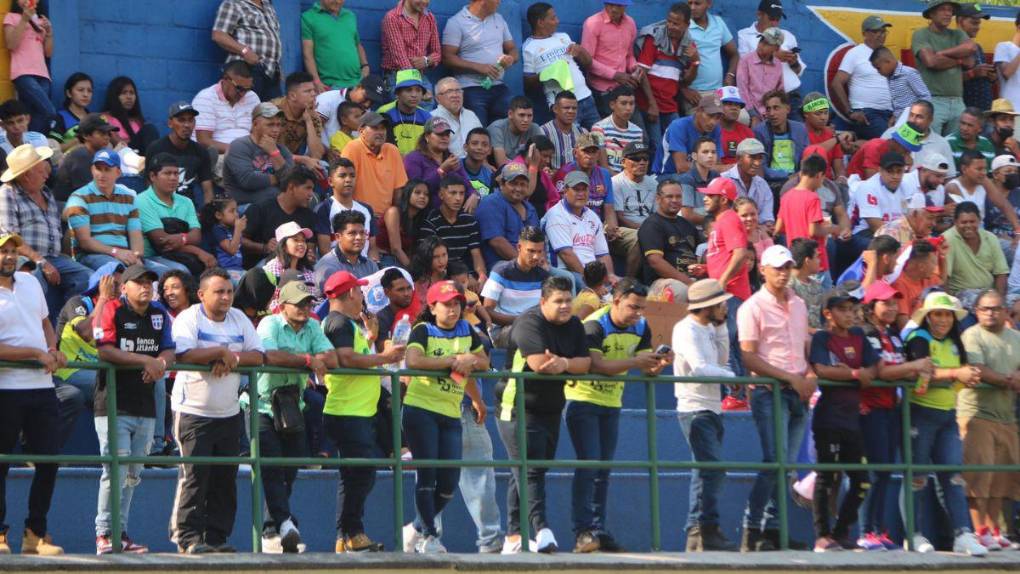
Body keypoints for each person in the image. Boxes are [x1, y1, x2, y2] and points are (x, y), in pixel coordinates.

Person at [566, 279, 669, 553]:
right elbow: (598, 365)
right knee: (589, 465)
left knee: (603, 470)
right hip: (582, 400)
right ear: (616, 301)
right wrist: (636, 362)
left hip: (612, 403)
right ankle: (582, 532)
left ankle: (597, 530)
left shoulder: (641, 326)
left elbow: (647, 369)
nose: (638, 313)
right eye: (633, 307)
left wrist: (658, 363)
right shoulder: (594, 325)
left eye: (642, 308)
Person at [170, 268, 265, 554]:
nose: (225, 297)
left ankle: (216, 538)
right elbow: (183, 353)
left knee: (225, 480)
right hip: (193, 411)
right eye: (219, 292)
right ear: (201, 294)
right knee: (194, 477)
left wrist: (230, 356)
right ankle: (188, 538)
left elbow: (258, 355)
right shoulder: (189, 318)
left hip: (228, 413)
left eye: (229, 291)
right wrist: (218, 353)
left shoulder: (239, 318)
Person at [495, 275, 591, 553]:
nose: (565, 306)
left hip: (550, 408)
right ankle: (542, 530)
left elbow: (585, 363)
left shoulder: (574, 325)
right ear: (543, 302)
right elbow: (539, 363)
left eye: (568, 300)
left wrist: (564, 363)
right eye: (558, 301)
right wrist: (567, 364)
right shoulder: (529, 322)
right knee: (530, 470)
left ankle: (513, 537)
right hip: (517, 407)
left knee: (525, 471)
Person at [737, 244, 816, 552]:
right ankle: (753, 526)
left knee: (784, 465)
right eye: (778, 268)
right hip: (771, 391)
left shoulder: (798, 304)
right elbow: (748, 357)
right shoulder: (752, 307)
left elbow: (803, 347)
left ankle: (770, 529)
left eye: (787, 267)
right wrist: (794, 378)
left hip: (794, 390)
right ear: (763, 270)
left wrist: (808, 373)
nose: (783, 273)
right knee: (776, 462)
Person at [320, 270, 405, 552]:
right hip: (348, 411)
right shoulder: (339, 322)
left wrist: (370, 338)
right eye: (359, 290)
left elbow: (355, 354)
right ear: (350, 294)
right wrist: (384, 357)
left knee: (354, 475)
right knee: (362, 473)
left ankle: (345, 536)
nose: (362, 296)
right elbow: (346, 359)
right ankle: (352, 533)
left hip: (356, 410)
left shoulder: (343, 323)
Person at [92, 264, 174, 554]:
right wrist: (145, 360)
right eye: (138, 282)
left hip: (145, 405)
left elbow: (169, 349)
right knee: (115, 469)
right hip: (113, 404)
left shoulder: (159, 313)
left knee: (133, 474)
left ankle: (121, 534)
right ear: (124, 287)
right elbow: (104, 349)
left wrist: (160, 363)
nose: (145, 287)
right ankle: (104, 534)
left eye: (149, 282)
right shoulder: (112, 308)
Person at [403, 280, 489, 553]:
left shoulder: (467, 329)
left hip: (451, 411)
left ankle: (416, 527)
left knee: (449, 481)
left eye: (457, 304)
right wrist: (453, 361)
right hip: (421, 409)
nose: (453, 310)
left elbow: (483, 363)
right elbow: (413, 361)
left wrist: (476, 396)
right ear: (432, 307)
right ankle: (430, 536)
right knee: (427, 475)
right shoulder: (423, 330)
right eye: (446, 304)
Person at [253, 281, 338, 553]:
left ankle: (274, 528)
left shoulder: (312, 325)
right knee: (271, 466)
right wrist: (307, 360)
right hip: (262, 405)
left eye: (308, 303)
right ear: (282, 305)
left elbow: (330, 357)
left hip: (292, 405)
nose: (305, 307)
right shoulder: (269, 324)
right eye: (299, 303)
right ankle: (283, 525)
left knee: (289, 469)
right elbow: (270, 356)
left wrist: (311, 358)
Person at [901, 291, 986, 556]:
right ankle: (913, 535)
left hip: (948, 415)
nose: (943, 320)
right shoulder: (918, 338)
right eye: (937, 314)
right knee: (916, 477)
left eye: (947, 315)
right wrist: (956, 373)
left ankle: (963, 533)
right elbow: (920, 372)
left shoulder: (954, 341)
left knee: (954, 476)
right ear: (927, 316)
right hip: (920, 413)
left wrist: (968, 376)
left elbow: (960, 374)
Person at [0, 231, 66, 556]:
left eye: (13, 251)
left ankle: (35, 534)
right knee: (0, 463)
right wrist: (35, 353)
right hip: (5, 389)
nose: (9, 256)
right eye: (3, 251)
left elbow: (45, 323)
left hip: (41, 387)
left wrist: (52, 349)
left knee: (49, 461)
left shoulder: (29, 281)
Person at [857, 281, 927, 551]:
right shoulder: (865, 333)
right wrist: (915, 366)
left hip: (891, 409)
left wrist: (914, 369)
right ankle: (866, 531)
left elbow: (899, 369)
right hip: (870, 409)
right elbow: (882, 372)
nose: (892, 307)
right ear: (871, 306)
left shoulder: (894, 335)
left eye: (894, 302)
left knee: (885, 472)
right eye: (885, 303)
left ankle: (878, 530)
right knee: (875, 472)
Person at [807, 289, 878, 552]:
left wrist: (856, 372)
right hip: (828, 418)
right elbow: (822, 369)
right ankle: (822, 536)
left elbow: (874, 367)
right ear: (828, 314)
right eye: (843, 309)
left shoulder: (859, 335)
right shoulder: (822, 338)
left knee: (862, 479)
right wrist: (855, 374)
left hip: (852, 420)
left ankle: (841, 532)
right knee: (826, 477)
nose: (850, 314)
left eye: (852, 309)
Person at [672, 279, 736, 552]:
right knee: (712, 469)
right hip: (694, 409)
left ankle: (699, 533)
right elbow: (699, 368)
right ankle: (703, 528)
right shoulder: (685, 329)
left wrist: (721, 327)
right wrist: (733, 378)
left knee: (705, 470)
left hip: (711, 407)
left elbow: (720, 361)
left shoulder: (709, 328)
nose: (725, 306)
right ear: (708, 305)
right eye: (721, 303)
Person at [957, 289, 1020, 551]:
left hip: (1006, 415)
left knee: (1003, 476)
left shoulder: (1016, 337)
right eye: (985, 308)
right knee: (979, 476)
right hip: (976, 413)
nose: (991, 313)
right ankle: (979, 530)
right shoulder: (971, 335)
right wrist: (1008, 380)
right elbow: (977, 369)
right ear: (976, 312)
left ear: (1005, 311)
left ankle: (995, 530)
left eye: (996, 308)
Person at [0, 144, 91, 321]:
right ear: (26, 175)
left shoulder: (46, 193)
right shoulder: (7, 194)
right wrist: (41, 261)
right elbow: (10, 237)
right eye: (41, 171)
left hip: (54, 257)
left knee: (88, 277)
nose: (47, 175)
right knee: (34, 279)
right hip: (23, 257)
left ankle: (66, 323)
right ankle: (38, 325)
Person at [63, 150, 151, 273]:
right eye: (98, 169)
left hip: (125, 255)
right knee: (117, 269)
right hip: (91, 255)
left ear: (118, 172)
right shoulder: (79, 197)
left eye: (107, 169)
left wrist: (136, 257)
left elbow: (135, 234)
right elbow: (85, 242)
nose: (101, 174)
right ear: (92, 170)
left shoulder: (129, 196)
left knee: (162, 272)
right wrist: (115, 252)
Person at [441, 0, 518, 127]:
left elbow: (512, 49)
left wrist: (510, 58)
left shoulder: (499, 19)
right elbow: (447, 58)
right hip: (470, 87)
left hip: (498, 85)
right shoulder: (456, 22)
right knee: (477, 131)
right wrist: (478, 67)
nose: (499, 2)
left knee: (515, 119)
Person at [136, 154, 216, 277]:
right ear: (152, 176)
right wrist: (198, 251)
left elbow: (197, 236)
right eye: (167, 173)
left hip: (183, 255)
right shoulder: (142, 200)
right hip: (152, 258)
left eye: (176, 173)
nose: (173, 178)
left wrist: (181, 238)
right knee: (181, 273)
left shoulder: (186, 202)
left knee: (215, 274)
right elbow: (162, 242)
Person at [636, 2, 697, 159]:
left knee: (678, 142)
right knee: (656, 146)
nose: (671, 26)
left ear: (687, 25)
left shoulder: (688, 45)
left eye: (676, 23)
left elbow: (686, 82)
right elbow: (641, 73)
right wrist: (652, 104)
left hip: (669, 105)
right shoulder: (654, 38)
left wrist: (695, 62)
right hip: (650, 103)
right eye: (669, 21)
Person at [524, 4, 598, 129]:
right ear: (540, 22)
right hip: (564, 106)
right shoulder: (530, 47)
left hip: (586, 97)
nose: (557, 21)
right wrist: (547, 74)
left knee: (599, 136)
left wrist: (580, 50)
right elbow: (527, 83)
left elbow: (588, 63)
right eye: (553, 18)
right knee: (571, 140)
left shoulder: (563, 37)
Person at [911, 0, 974, 136]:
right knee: (929, 143)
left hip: (958, 101)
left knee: (954, 145)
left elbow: (970, 55)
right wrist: (959, 60)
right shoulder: (922, 34)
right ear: (931, 14)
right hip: (933, 100)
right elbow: (931, 62)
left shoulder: (958, 34)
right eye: (943, 9)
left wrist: (941, 54)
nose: (948, 14)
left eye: (950, 10)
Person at [237, 222, 322, 321]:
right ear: (283, 245)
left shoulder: (307, 271)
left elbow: (312, 299)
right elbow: (271, 305)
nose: (301, 244)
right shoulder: (271, 269)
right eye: (295, 240)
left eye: (303, 241)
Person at [481, 225, 549, 347]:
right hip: (504, 330)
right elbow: (488, 310)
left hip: (534, 327)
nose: (536, 257)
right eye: (531, 251)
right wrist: (521, 320)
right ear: (519, 247)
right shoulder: (501, 272)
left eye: (539, 251)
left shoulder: (543, 276)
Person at [240, 165, 317, 269]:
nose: (311, 194)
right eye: (308, 188)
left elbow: (310, 247)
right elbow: (240, 240)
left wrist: (309, 256)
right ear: (291, 187)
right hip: (261, 270)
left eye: (312, 189)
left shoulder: (309, 215)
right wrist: (264, 247)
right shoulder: (260, 209)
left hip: (296, 268)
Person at [545, 171, 617, 283]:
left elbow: (602, 254)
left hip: (592, 273)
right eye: (576, 189)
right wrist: (591, 282)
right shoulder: (556, 215)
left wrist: (610, 276)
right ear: (565, 190)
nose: (581, 194)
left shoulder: (592, 216)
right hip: (566, 273)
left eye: (584, 189)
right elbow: (566, 254)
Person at [830, 16, 894, 140]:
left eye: (883, 31)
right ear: (864, 33)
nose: (880, 35)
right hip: (867, 114)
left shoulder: (887, 54)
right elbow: (836, 83)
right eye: (875, 31)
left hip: (890, 114)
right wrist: (850, 112)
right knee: (889, 143)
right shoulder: (855, 53)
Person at [736, 1, 805, 115]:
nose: (775, 23)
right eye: (772, 18)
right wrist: (773, 55)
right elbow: (744, 65)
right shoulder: (745, 35)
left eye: (778, 19)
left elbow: (799, 71)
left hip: (791, 94)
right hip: (759, 99)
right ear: (759, 14)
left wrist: (793, 62)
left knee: (796, 126)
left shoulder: (788, 36)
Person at [222, 102, 295, 206]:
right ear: (255, 124)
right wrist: (280, 178)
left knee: (307, 197)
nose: (276, 130)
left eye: (278, 125)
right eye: (270, 125)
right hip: (243, 204)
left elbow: (292, 182)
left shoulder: (281, 150)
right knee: (275, 195)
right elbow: (248, 180)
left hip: (273, 201)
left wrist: (274, 153)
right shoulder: (239, 146)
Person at [145, 102, 215, 208]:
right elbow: (149, 186)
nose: (187, 125)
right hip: (161, 208)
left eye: (190, 120)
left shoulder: (200, 151)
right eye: (181, 120)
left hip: (189, 209)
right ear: (170, 123)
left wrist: (207, 214)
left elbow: (207, 190)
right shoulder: (156, 148)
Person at [341, 111, 409, 216]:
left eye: (383, 128)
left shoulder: (392, 150)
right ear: (361, 131)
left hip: (386, 218)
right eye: (375, 128)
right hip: (358, 216)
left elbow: (398, 190)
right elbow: (344, 186)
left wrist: (398, 216)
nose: (380, 132)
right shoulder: (352, 148)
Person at [212, 0, 283, 100]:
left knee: (272, 109)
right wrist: (244, 51)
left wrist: (277, 66)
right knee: (245, 107)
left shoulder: (268, 6)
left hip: (270, 73)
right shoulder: (233, 3)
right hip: (245, 70)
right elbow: (219, 35)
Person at [581, 0, 639, 120]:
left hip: (624, 87)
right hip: (602, 90)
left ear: (625, 6)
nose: (614, 9)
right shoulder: (593, 23)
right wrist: (614, 75)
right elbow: (586, 61)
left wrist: (634, 68)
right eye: (610, 4)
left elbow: (629, 55)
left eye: (618, 5)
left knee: (635, 129)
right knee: (608, 130)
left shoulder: (630, 23)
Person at [776, 154, 831, 278]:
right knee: (826, 290)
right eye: (823, 178)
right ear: (819, 175)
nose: (821, 183)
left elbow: (778, 228)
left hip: (796, 260)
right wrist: (832, 229)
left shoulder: (786, 197)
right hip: (815, 261)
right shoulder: (813, 198)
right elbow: (813, 231)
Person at [638, 178, 701, 286]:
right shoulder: (652, 225)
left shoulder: (688, 225)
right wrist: (689, 283)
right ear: (658, 199)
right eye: (669, 196)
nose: (675, 200)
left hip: (691, 278)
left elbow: (700, 253)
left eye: (678, 196)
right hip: (663, 282)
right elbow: (655, 261)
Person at [476, 162, 539, 269]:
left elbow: (538, 241)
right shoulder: (491, 203)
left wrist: (541, 262)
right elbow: (497, 242)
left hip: (531, 264)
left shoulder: (530, 208)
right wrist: (525, 264)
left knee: (565, 277)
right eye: (513, 183)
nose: (518, 188)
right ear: (502, 184)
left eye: (522, 184)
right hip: (502, 266)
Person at [421, 176, 486, 280]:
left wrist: (482, 275)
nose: (458, 198)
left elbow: (476, 254)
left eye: (462, 193)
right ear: (441, 195)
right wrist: (463, 277)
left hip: (467, 274)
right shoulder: (430, 222)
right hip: (441, 276)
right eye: (453, 193)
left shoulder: (470, 221)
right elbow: (432, 260)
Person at [191, 61, 261, 157]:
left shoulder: (252, 97)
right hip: (219, 155)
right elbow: (203, 141)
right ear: (225, 79)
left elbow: (260, 132)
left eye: (247, 89)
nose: (243, 94)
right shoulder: (206, 98)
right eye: (239, 88)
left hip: (249, 155)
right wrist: (238, 151)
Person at [4, 0, 53, 134]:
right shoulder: (11, 17)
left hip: (43, 74)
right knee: (49, 111)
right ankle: (53, 127)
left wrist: (49, 32)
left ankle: (29, 141)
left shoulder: (41, 20)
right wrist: (24, 19)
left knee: (33, 114)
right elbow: (11, 44)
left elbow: (48, 53)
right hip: (23, 73)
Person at [314, 158, 377, 260]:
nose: (348, 180)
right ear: (330, 181)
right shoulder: (324, 209)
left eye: (352, 176)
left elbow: (372, 247)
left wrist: (374, 265)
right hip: (336, 265)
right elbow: (324, 250)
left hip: (365, 266)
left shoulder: (367, 209)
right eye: (342, 176)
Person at [943, 201, 1009, 295]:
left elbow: (1001, 273)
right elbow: (944, 278)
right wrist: (949, 302)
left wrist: (1000, 298)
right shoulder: (947, 239)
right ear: (955, 222)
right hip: (962, 294)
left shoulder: (990, 238)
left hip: (990, 294)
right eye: (964, 222)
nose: (968, 226)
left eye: (972, 222)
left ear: (979, 220)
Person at [404, 117, 473, 207]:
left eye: (447, 134)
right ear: (427, 136)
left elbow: (467, 185)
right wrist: (441, 170)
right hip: (426, 211)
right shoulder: (414, 158)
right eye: (440, 134)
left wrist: (474, 195)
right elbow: (417, 192)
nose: (444, 138)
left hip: (453, 210)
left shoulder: (451, 158)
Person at [301, 0, 368, 92]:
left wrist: (365, 65)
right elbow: (308, 54)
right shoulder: (308, 17)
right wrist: (316, 81)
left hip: (357, 83)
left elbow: (357, 44)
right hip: (331, 86)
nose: (338, 1)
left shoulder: (350, 16)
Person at [381, 0, 442, 93]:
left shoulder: (429, 17)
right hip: (396, 76)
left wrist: (426, 61)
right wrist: (419, 90)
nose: (425, 2)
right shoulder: (393, 17)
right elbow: (400, 59)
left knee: (430, 100)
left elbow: (437, 53)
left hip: (420, 76)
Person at [686, 0, 739, 106]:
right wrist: (684, 89)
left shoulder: (718, 23)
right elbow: (671, 63)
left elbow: (734, 55)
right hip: (695, 94)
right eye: (690, 3)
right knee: (707, 117)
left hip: (718, 92)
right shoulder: (684, 25)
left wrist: (730, 75)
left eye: (697, 3)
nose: (692, 7)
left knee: (742, 115)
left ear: (709, 4)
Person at [52, 113, 114, 202]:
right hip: (68, 205)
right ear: (86, 135)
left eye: (108, 134)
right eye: (101, 133)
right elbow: (87, 195)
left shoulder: (97, 155)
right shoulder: (80, 156)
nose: (107, 137)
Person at [656, 94, 723, 176]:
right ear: (699, 111)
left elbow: (717, 163)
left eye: (717, 118)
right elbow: (682, 167)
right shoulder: (679, 126)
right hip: (667, 176)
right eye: (710, 115)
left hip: (699, 175)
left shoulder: (716, 129)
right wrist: (720, 168)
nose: (713, 122)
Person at [270, 72, 326, 168]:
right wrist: (303, 160)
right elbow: (267, 150)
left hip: (292, 161)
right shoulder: (272, 111)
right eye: (307, 91)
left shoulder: (312, 115)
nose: (313, 94)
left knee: (322, 167)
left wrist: (309, 121)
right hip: (267, 162)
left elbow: (317, 155)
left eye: (314, 90)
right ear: (292, 96)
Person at [752, 90, 809, 181]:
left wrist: (799, 175)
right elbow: (760, 166)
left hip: (797, 180)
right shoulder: (760, 131)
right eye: (768, 109)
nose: (771, 113)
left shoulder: (800, 129)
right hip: (771, 182)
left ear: (788, 109)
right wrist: (787, 176)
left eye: (776, 108)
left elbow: (807, 158)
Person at [314, 210, 379, 290]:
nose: (359, 237)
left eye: (362, 233)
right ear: (338, 237)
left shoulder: (370, 265)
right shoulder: (327, 267)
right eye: (352, 233)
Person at [378, 69, 432, 157]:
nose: (414, 95)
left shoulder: (427, 117)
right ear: (397, 93)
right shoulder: (384, 113)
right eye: (408, 90)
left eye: (418, 90)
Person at [735, 27, 783, 124]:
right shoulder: (746, 60)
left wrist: (771, 110)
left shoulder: (778, 64)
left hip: (769, 109)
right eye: (761, 40)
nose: (762, 45)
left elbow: (779, 91)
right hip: (749, 107)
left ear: (776, 48)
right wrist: (753, 114)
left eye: (767, 43)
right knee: (742, 117)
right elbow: (742, 89)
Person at [591, 86, 643, 175]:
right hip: (606, 179)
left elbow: (636, 165)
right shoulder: (598, 128)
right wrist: (622, 181)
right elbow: (603, 166)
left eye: (631, 103)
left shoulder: (638, 132)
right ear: (612, 105)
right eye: (624, 103)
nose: (628, 108)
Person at [722, 138, 774, 226]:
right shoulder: (723, 181)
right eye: (752, 158)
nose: (757, 163)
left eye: (760, 158)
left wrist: (767, 226)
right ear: (738, 159)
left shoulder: (762, 185)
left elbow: (767, 218)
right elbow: (722, 217)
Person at [870, 48, 932, 121]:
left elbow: (925, 96)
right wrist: (894, 117)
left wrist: (916, 116)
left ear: (888, 61)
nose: (878, 72)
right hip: (899, 119)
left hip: (912, 119)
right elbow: (898, 103)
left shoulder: (908, 73)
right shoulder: (890, 77)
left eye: (878, 68)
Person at [379, 179, 429, 268]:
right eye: (417, 192)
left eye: (426, 194)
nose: (422, 197)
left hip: (399, 260)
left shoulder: (417, 219)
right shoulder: (393, 212)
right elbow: (396, 249)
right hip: (383, 258)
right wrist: (413, 270)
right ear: (407, 194)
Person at [102, 76, 158, 153]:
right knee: (149, 129)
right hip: (122, 154)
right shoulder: (105, 118)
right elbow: (117, 143)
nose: (129, 97)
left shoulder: (137, 120)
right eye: (124, 93)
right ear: (115, 96)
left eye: (132, 93)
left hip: (140, 156)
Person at [613, 140, 658, 234]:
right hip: (626, 231)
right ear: (623, 162)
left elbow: (657, 214)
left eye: (645, 158)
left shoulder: (654, 184)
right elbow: (619, 218)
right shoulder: (615, 182)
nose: (642, 162)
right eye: (636, 158)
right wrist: (644, 230)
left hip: (650, 229)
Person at [431, 78, 483, 159]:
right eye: (449, 91)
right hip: (448, 164)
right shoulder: (432, 118)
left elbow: (482, 141)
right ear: (438, 99)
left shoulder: (471, 115)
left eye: (458, 91)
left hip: (474, 162)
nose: (455, 95)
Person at [799, 95, 847, 182]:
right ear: (806, 114)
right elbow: (814, 152)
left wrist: (841, 178)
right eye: (818, 113)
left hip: (829, 183)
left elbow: (839, 167)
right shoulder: (799, 133)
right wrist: (837, 139)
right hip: (807, 181)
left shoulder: (831, 134)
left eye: (826, 113)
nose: (823, 118)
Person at [956, 4, 994, 112]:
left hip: (983, 110)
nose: (977, 27)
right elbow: (945, 80)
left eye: (979, 23)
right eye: (974, 23)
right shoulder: (951, 46)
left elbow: (980, 75)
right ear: (960, 21)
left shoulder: (977, 47)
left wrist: (990, 76)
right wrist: (973, 73)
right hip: (965, 112)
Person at [487, 96, 542, 168]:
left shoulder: (534, 128)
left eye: (529, 116)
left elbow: (542, 157)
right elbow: (502, 165)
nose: (526, 120)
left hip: (523, 170)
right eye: (521, 115)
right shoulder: (497, 128)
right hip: (499, 171)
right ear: (510, 114)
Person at [677, 137, 720, 225]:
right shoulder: (686, 180)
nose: (710, 156)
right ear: (694, 156)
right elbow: (687, 216)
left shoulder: (716, 176)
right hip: (694, 229)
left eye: (713, 152)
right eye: (705, 152)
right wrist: (715, 222)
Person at [541, 91, 588, 171]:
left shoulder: (583, 132)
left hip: (579, 177)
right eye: (566, 108)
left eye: (574, 108)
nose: (571, 111)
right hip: (554, 177)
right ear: (555, 109)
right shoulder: (544, 132)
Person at [945, 107, 996, 172]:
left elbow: (990, 173)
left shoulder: (987, 145)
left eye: (970, 125)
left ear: (980, 128)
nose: (964, 128)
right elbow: (946, 175)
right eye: (963, 123)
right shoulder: (948, 143)